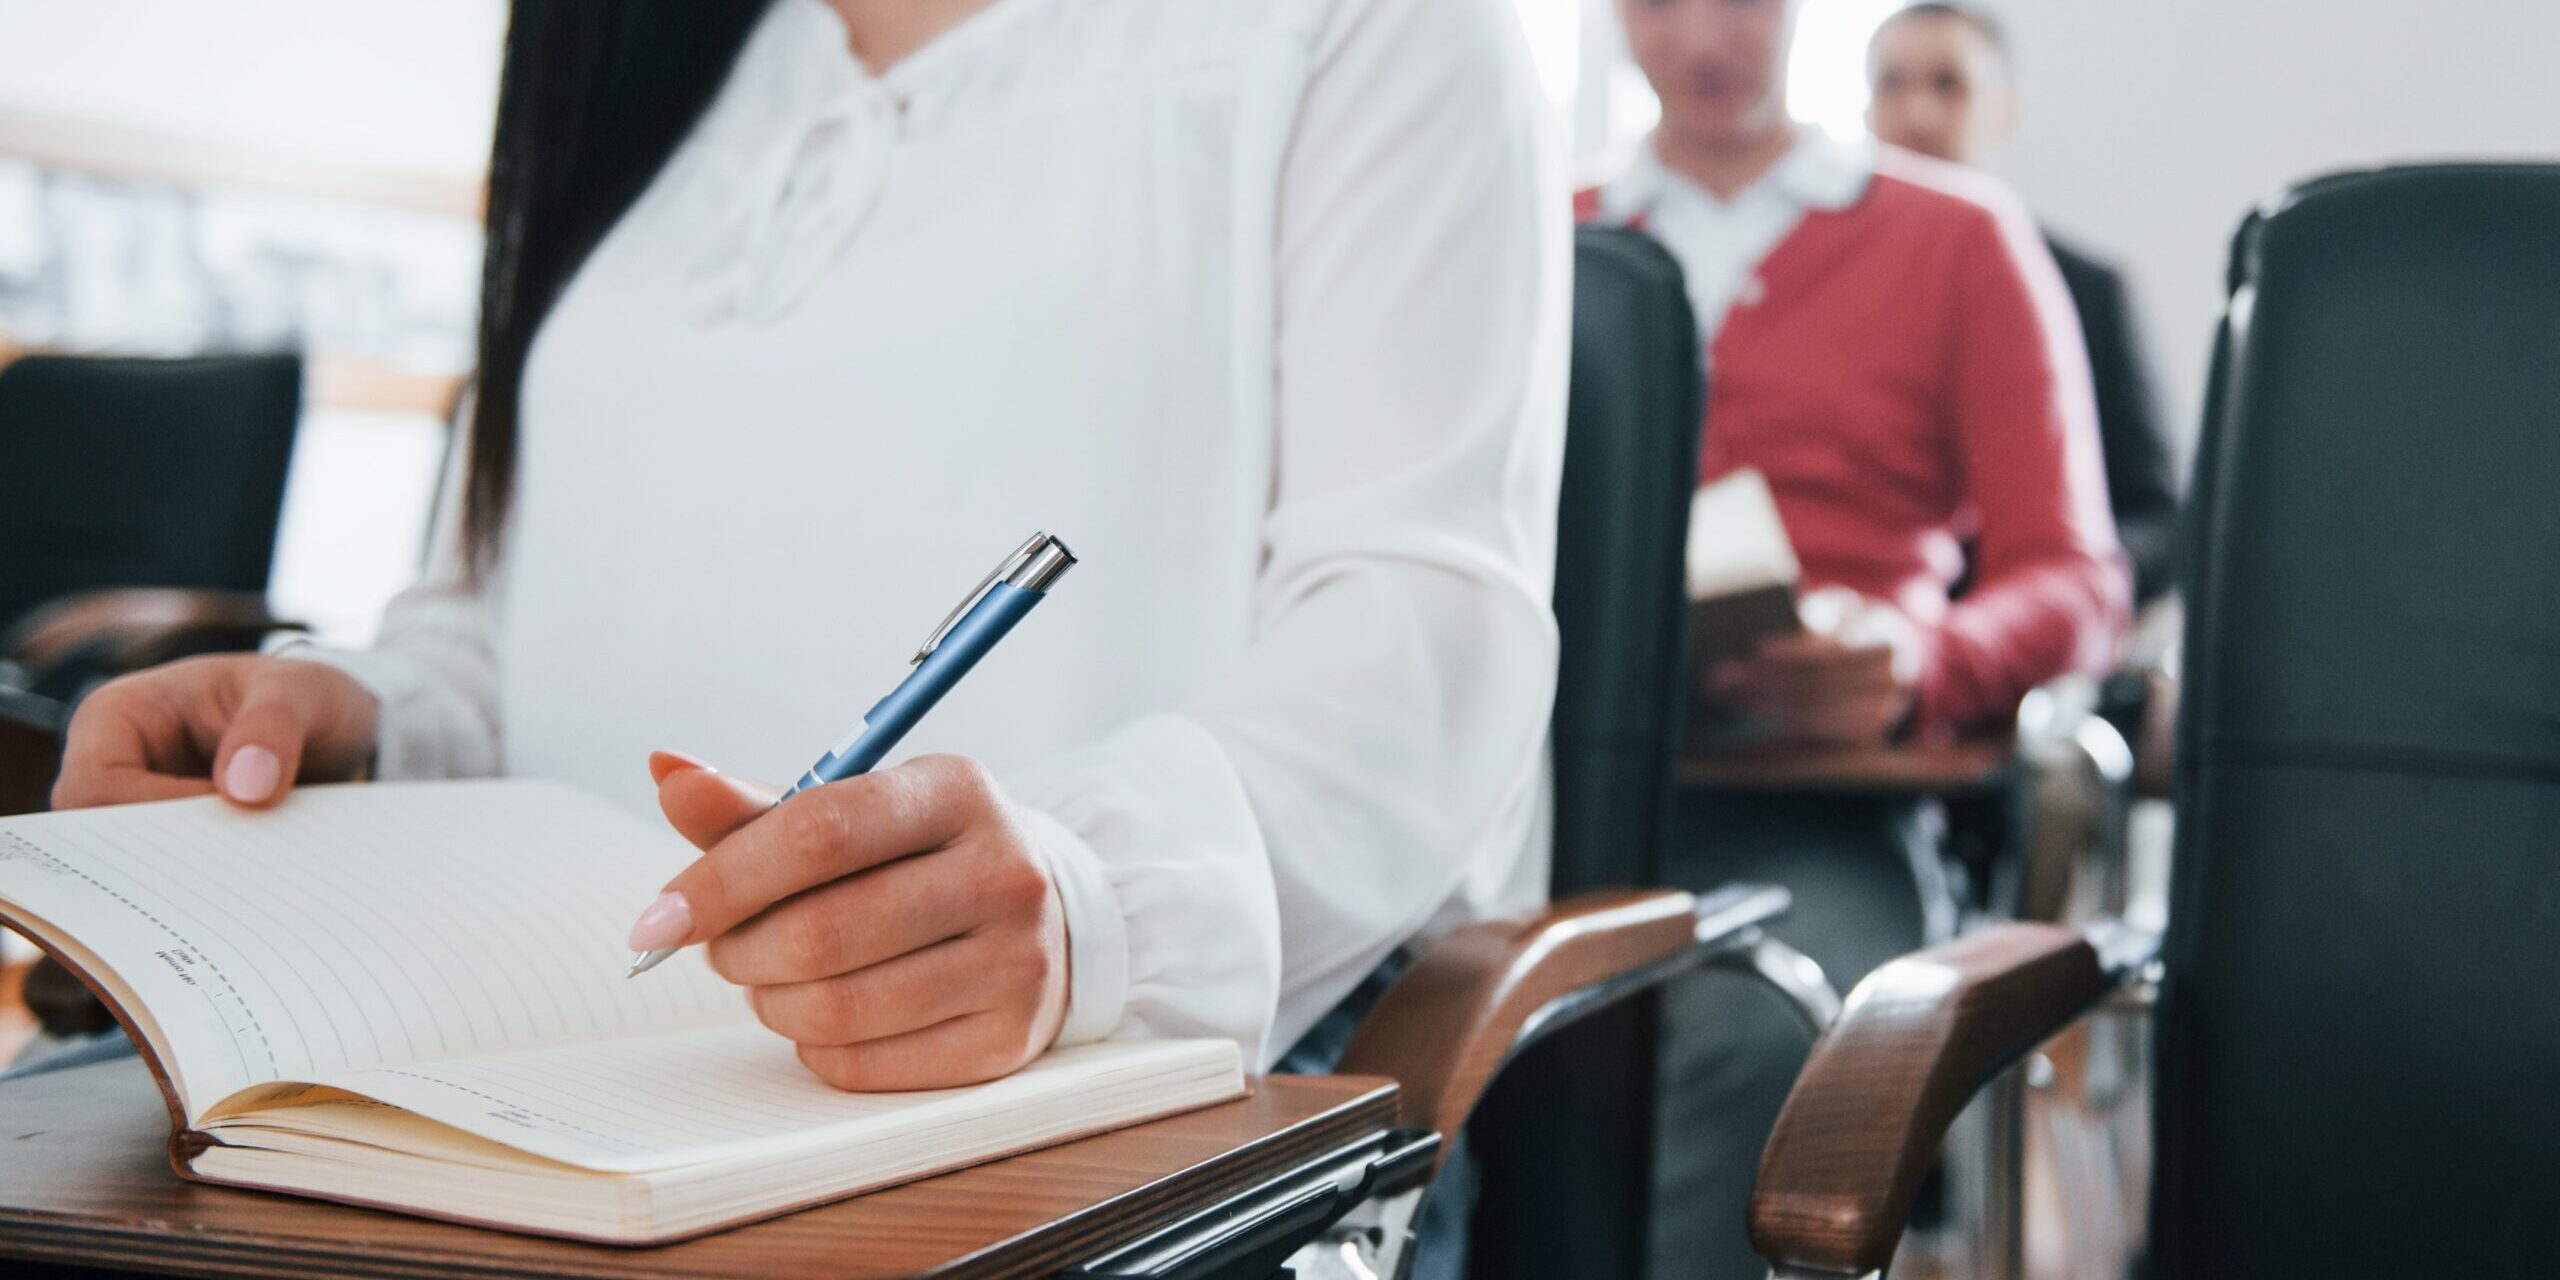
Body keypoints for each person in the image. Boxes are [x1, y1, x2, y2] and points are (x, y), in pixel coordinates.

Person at [50, 1, 1565, 1268]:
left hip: (1077, 1146)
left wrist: (1095, 902)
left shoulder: (1369, 27)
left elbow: (1429, 630)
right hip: (515, 1115)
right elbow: (484, 627)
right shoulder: (630, 48)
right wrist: (358, 718)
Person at [1586, 0, 2128, 1275]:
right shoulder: (1543, 231)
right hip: (1546, 796)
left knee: (1758, 1030)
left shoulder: (1954, 233)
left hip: (1819, 805)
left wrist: (1917, 657)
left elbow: (2075, 575)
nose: (1700, 35)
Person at [1869, 0, 2183, 604]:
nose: (1918, 111)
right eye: (1892, 84)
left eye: (1949, 83)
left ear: (2005, 111)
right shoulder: (1836, 292)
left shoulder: (2090, 290)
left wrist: (2054, 598)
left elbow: (2163, 522)